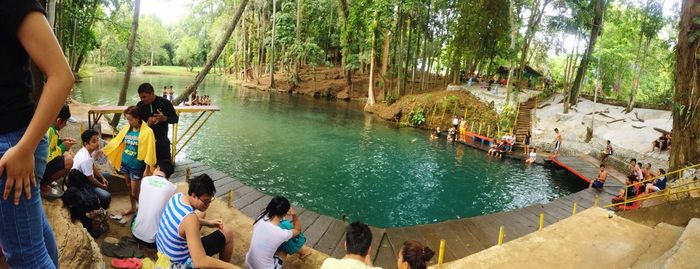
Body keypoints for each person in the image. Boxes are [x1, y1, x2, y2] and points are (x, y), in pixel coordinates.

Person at [0, 2, 74, 267]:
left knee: (25, 256)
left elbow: (62, 76)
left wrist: (24, 148)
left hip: (13, 144)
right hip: (16, 140)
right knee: (34, 241)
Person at [156, 174, 235, 268]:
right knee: (228, 232)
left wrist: (209, 223)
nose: (208, 205)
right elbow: (200, 262)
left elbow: (186, 221)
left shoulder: (177, 196)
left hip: (163, 253)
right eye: (205, 201)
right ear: (194, 196)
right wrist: (232, 267)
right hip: (177, 264)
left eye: (210, 201)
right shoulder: (190, 219)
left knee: (201, 214)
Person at [102, 106, 156, 216]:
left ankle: (144, 212)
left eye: (130, 119)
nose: (129, 122)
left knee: (135, 193)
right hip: (125, 163)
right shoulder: (127, 128)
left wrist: (146, 169)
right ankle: (133, 208)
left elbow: (150, 151)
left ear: (138, 118)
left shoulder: (147, 132)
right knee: (128, 187)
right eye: (127, 119)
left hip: (137, 166)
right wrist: (102, 151)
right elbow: (116, 141)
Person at [246, 196, 302, 269]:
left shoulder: (261, 217)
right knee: (285, 247)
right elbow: (298, 230)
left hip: (248, 262)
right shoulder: (281, 234)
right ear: (285, 214)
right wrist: (295, 215)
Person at [131, 160, 176, 248]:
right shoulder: (172, 188)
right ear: (169, 175)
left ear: (158, 168)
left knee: (139, 213)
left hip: (135, 234)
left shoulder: (145, 180)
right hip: (153, 242)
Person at [136, 83, 179, 162]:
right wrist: (147, 123)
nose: (142, 99)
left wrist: (164, 118)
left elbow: (175, 119)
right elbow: (136, 124)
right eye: (140, 97)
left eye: (144, 97)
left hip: (161, 141)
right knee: (144, 167)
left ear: (152, 93)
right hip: (145, 141)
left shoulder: (165, 103)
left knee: (164, 167)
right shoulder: (140, 105)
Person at [72, 129, 112, 209]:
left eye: (98, 140)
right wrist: (102, 186)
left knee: (107, 176)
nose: (97, 144)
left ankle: (99, 194)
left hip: (86, 177)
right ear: (86, 143)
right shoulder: (85, 159)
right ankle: (101, 209)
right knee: (107, 196)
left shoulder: (89, 151)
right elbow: (91, 179)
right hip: (81, 183)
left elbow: (93, 166)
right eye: (94, 141)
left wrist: (102, 177)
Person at [42, 105, 76, 198]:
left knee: (68, 157)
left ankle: (46, 180)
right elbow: (46, 157)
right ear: (58, 120)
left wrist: (61, 141)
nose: (66, 125)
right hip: (39, 166)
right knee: (69, 161)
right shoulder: (50, 131)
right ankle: (43, 185)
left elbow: (50, 145)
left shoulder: (50, 127)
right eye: (65, 122)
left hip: (40, 165)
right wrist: (62, 147)